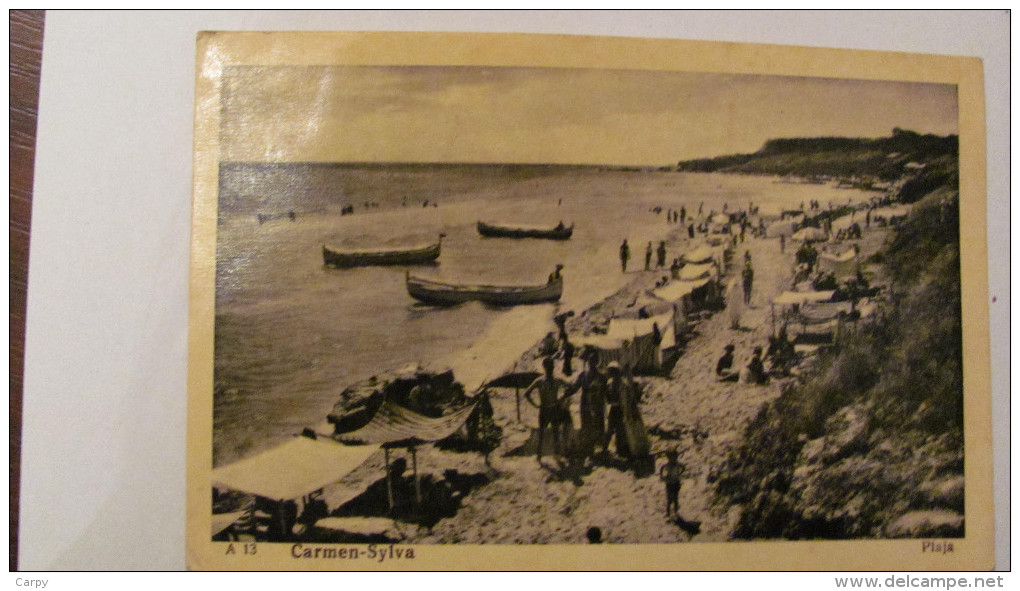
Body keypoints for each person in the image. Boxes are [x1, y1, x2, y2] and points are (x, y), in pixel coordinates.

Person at [523, 357, 573, 464]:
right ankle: (539, 456)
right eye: (548, 367)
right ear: (544, 367)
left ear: (553, 367)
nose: (550, 369)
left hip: (554, 409)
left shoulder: (556, 380)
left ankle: (557, 455)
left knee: (555, 433)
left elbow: (570, 387)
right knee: (542, 433)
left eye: (551, 366)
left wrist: (562, 398)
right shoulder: (540, 381)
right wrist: (536, 405)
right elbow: (526, 393)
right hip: (544, 409)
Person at [574, 347, 607, 458]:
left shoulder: (602, 377)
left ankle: (600, 450)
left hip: (597, 404)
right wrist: (565, 393)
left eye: (594, 361)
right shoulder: (583, 375)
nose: (592, 364)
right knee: (587, 425)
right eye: (590, 361)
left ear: (597, 362)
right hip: (586, 404)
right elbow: (575, 388)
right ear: (588, 362)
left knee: (597, 425)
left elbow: (606, 391)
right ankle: (589, 450)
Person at [604, 362, 631, 458]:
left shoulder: (622, 384)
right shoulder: (611, 383)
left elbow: (626, 398)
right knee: (611, 429)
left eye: (613, 372)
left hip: (619, 408)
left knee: (619, 430)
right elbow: (608, 397)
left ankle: (619, 449)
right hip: (614, 408)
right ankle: (606, 448)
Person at [659, 449, 686, 518]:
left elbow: (683, 467)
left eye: (674, 457)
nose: (672, 459)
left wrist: (680, 473)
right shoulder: (667, 465)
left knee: (675, 497)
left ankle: (676, 512)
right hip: (669, 483)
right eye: (671, 457)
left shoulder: (678, 464)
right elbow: (662, 469)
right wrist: (662, 476)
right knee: (669, 498)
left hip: (676, 482)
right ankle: (668, 513)